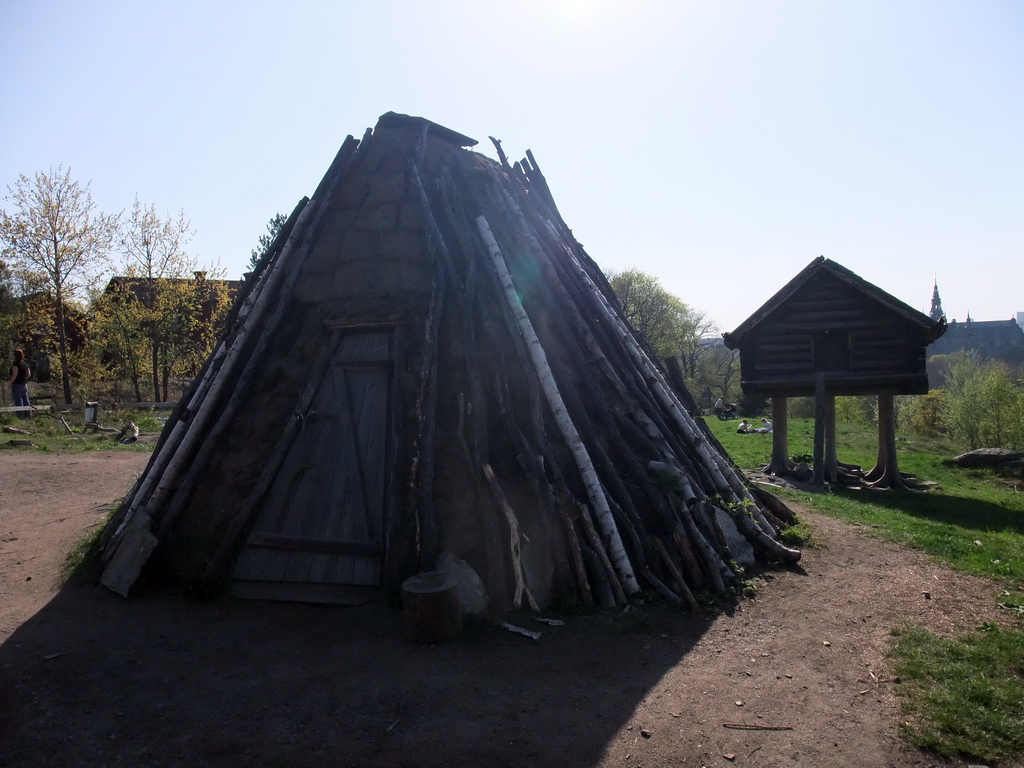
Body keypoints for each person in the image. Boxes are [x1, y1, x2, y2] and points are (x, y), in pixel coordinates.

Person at [8, 349, 31, 419]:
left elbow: (14, 374)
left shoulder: (16, 364)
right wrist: (24, 379)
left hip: (17, 385)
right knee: (26, 400)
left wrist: (10, 383)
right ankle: (28, 415)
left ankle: (21, 417)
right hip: (24, 384)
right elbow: (29, 374)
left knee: (19, 401)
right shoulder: (24, 364)